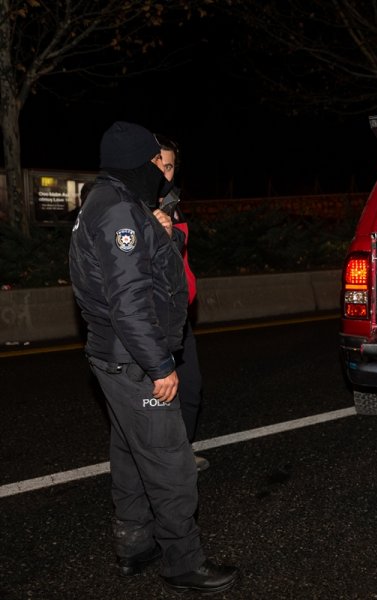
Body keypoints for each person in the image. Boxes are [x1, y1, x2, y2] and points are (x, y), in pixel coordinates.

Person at [69, 121, 239, 593]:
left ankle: (133, 544)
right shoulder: (122, 209)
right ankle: (183, 562)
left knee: (127, 452)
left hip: (111, 357)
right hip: (134, 360)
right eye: (153, 164)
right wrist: (160, 365)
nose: (160, 175)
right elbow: (129, 300)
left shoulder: (101, 201)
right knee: (171, 464)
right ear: (137, 164)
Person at [152, 134, 209, 472]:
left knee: (190, 389)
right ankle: (156, 469)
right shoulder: (130, 210)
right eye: (157, 163)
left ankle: (180, 452)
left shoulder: (174, 207)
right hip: (149, 322)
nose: (163, 171)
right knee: (154, 398)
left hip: (179, 318)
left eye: (169, 165)